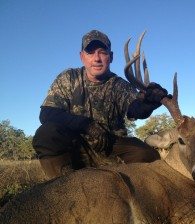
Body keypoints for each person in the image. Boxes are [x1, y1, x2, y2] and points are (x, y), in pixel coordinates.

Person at [32, 30, 168, 179]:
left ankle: (122, 184)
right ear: (82, 57)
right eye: (90, 52)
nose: (96, 58)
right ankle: (63, 186)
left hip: (111, 147)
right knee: (46, 134)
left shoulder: (118, 85)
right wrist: (87, 125)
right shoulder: (69, 78)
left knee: (148, 155)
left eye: (102, 52)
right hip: (76, 147)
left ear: (111, 57)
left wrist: (150, 101)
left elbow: (136, 110)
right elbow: (47, 113)